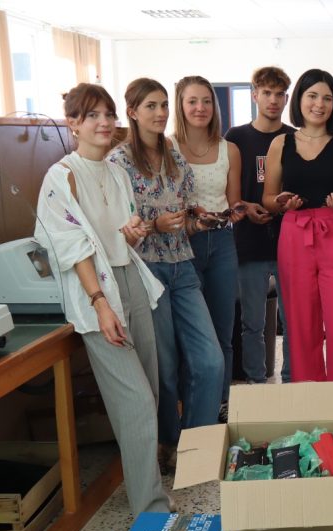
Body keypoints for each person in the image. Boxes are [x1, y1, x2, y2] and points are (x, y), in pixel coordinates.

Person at [34, 83, 169, 515]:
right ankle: (150, 511)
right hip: (98, 293)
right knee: (137, 405)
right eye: (91, 116)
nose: (103, 123)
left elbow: (122, 228)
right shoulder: (61, 177)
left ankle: (149, 489)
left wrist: (134, 230)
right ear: (72, 124)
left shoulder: (115, 169)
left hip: (129, 279)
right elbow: (71, 246)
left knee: (151, 392)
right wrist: (99, 303)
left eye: (108, 114)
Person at [108, 77, 223, 472]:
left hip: (183, 266)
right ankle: (170, 447)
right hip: (146, 272)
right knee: (166, 370)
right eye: (150, 106)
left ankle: (197, 446)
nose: (159, 113)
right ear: (133, 112)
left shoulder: (174, 156)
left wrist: (200, 220)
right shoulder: (118, 162)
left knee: (210, 362)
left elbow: (187, 213)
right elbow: (115, 230)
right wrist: (154, 226)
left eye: (162, 106)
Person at [261, 68, 333, 419]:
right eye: (312, 96)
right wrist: (281, 203)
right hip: (294, 234)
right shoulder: (281, 144)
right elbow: (267, 198)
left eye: (326, 97)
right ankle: (311, 416)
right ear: (300, 100)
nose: (319, 104)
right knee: (301, 329)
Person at [170, 75, 243, 419]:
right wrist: (192, 216)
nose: (200, 108)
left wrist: (244, 212)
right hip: (182, 246)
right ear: (180, 106)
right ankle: (193, 405)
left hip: (223, 242)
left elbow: (234, 202)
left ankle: (221, 404)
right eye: (192, 101)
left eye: (206, 101)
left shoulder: (230, 149)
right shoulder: (167, 148)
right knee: (192, 336)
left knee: (223, 331)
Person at [225, 66, 294, 386]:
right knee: (252, 322)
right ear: (254, 95)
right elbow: (228, 188)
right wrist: (244, 207)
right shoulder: (236, 137)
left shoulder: (294, 137)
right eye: (266, 93)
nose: (273, 100)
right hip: (248, 241)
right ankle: (256, 382)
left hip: (287, 240)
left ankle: (291, 379)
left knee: (292, 321)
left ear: (286, 98)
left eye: (279, 94)